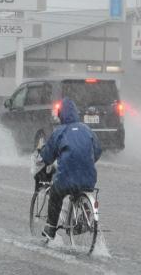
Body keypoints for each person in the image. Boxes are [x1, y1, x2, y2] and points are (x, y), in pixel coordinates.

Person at [35, 97, 102, 241]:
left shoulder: (60, 132)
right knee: (79, 190)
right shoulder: (87, 129)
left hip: (66, 179)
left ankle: (51, 228)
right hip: (89, 178)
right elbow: (97, 150)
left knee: (55, 195)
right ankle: (85, 216)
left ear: (61, 115)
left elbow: (48, 156)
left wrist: (42, 156)